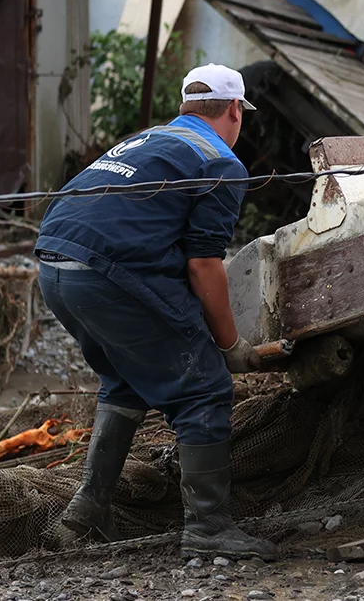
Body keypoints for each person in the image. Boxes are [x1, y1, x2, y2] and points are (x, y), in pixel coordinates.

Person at [34, 64, 273, 559]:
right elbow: (205, 265)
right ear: (234, 110)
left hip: (55, 269)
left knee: (126, 380)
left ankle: (86, 513)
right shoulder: (220, 163)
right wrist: (230, 346)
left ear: (185, 107)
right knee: (204, 388)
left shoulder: (145, 142)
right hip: (106, 276)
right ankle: (209, 531)